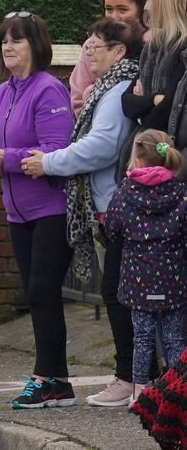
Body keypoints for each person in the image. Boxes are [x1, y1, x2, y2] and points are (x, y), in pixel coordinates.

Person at [21, 18, 144, 407]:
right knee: (119, 293)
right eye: (87, 46)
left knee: (119, 294)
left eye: (95, 47)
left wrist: (50, 162)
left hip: (119, 204)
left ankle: (132, 379)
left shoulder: (118, 88)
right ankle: (134, 377)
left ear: (118, 51)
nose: (88, 53)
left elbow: (102, 146)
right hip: (110, 205)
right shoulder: (107, 88)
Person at [0, 11, 75, 409]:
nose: (8, 47)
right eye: (5, 40)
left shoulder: (49, 90)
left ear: (36, 45)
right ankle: (59, 381)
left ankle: (44, 376)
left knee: (41, 291)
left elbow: (56, 151)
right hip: (16, 212)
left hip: (51, 207)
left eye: (17, 40)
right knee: (39, 295)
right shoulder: (2, 92)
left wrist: (7, 158)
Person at [106, 130, 187, 410]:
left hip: (137, 279)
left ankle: (139, 394)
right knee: (174, 338)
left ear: (137, 159)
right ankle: (177, 395)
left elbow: (112, 231)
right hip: (173, 279)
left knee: (141, 337)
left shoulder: (124, 195)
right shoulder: (181, 193)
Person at [122, 0, 187, 163]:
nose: (146, 7)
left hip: (170, 168)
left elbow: (167, 112)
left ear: (167, 1)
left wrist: (142, 110)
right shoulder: (152, 49)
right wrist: (152, 101)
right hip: (145, 161)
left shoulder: (182, 52)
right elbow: (126, 102)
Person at [70, 0, 148, 117]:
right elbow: (78, 98)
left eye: (123, 9)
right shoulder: (91, 45)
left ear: (140, 7)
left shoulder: (152, 42)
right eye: (109, 9)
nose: (115, 16)